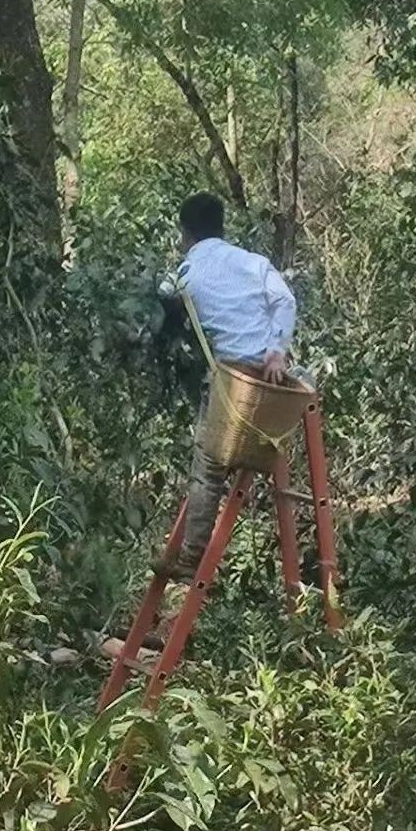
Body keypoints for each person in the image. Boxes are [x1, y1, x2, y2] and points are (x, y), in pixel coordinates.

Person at [156, 191, 301, 581]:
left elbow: (163, 299)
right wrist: (276, 351)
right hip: (271, 383)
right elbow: (285, 300)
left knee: (208, 467)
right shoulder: (253, 263)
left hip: (231, 383)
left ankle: (191, 557)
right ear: (222, 227)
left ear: (185, 234)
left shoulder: (185, 273)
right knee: (262, 453)